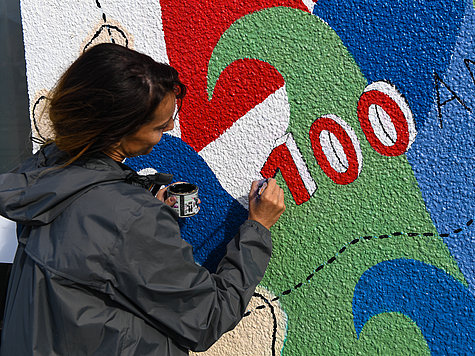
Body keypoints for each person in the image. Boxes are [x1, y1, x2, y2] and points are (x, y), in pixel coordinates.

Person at [0, 43, 285, 355]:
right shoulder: (129, 218)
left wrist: (137, 205)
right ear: (117, 131)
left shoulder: (48, 170)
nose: (171, 128)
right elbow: (208, 318)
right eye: (160, 126)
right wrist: (258, 228)